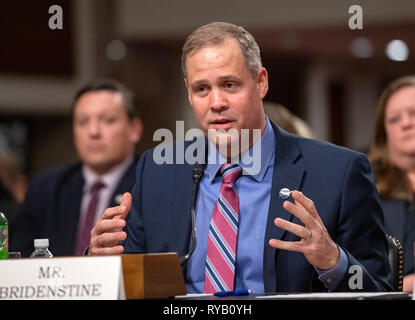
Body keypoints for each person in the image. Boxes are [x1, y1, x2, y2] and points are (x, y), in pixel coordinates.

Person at [89, 22, 391, 293]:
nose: (216, 103)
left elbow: (381, 291)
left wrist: (333, 261)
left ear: (260, 82)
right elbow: (131, 281)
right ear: (189, 93)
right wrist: (100, 259)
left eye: (229, 85)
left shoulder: (338, 172)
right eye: (202, 89)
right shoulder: (158, 169)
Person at [10, 78, 143, 257]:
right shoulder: (44, 188)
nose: (93, 132)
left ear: (134, 129)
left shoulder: (151, 184)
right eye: (83, 122)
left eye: (107, 120)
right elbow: (18, 259)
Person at [369, 75, 415, 292]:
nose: (406, 123)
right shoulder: (366, 185)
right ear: (383, 132)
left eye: (414, 113)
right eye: (394, 119)